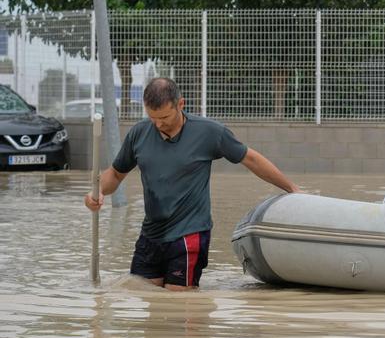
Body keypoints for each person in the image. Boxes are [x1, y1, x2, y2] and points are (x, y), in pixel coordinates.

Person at [83, 77, 300, 290]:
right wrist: (97, 191)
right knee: (143, 299)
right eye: (152, 117)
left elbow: (251, 159)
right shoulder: (138, 134)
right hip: (151, 235)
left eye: (165, 117)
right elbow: (115, 174)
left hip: (189, 234)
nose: (158, 124)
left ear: (180, 104)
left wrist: (292, 189)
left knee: (180, 305)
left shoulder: (209, 132)